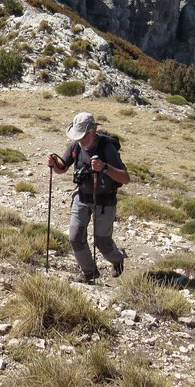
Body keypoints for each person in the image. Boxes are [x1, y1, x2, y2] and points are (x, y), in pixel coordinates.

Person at [46, 111, 131, 283]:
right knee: (75, 237)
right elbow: (62, 168)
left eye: (83, 136)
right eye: (77, 136)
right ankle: (89, 274)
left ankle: (117, 259)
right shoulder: (76, 146)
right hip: (82, 196)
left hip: (105, 200)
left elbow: (125, 178)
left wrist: (104, 167)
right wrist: (54, 164)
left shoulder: (107, 148)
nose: (80, 140)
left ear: (93, 131)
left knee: (102, 242)